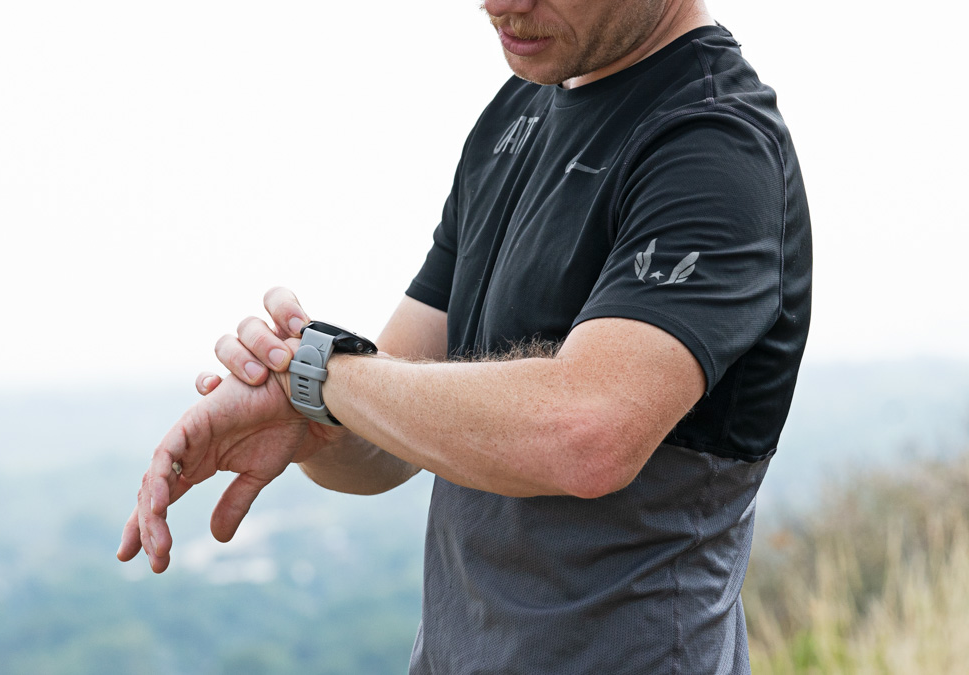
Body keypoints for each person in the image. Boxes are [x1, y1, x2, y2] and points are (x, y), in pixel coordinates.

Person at [118, 0, 811, 671]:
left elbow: (586, 437)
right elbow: (385, 442)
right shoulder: (518, 112)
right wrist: (305, 414)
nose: (499, 3)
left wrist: (324, 373)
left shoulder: (714, 144)